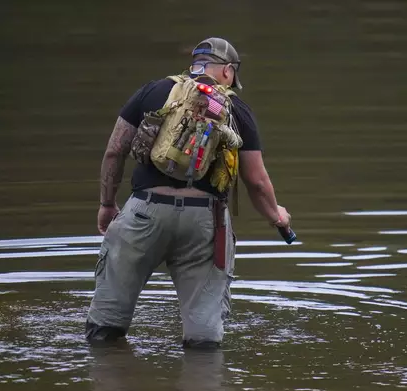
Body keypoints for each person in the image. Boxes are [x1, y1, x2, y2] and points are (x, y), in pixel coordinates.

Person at [85, 37, 292, 349]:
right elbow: (257, 182)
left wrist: (106, 203)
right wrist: (277, 216)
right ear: (227, 71)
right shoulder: (236, 110)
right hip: (205, 223)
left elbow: (115, 152)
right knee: (203, 340)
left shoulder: (152, 91)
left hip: (144, 213)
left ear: (195, 64)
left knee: (104, 330)